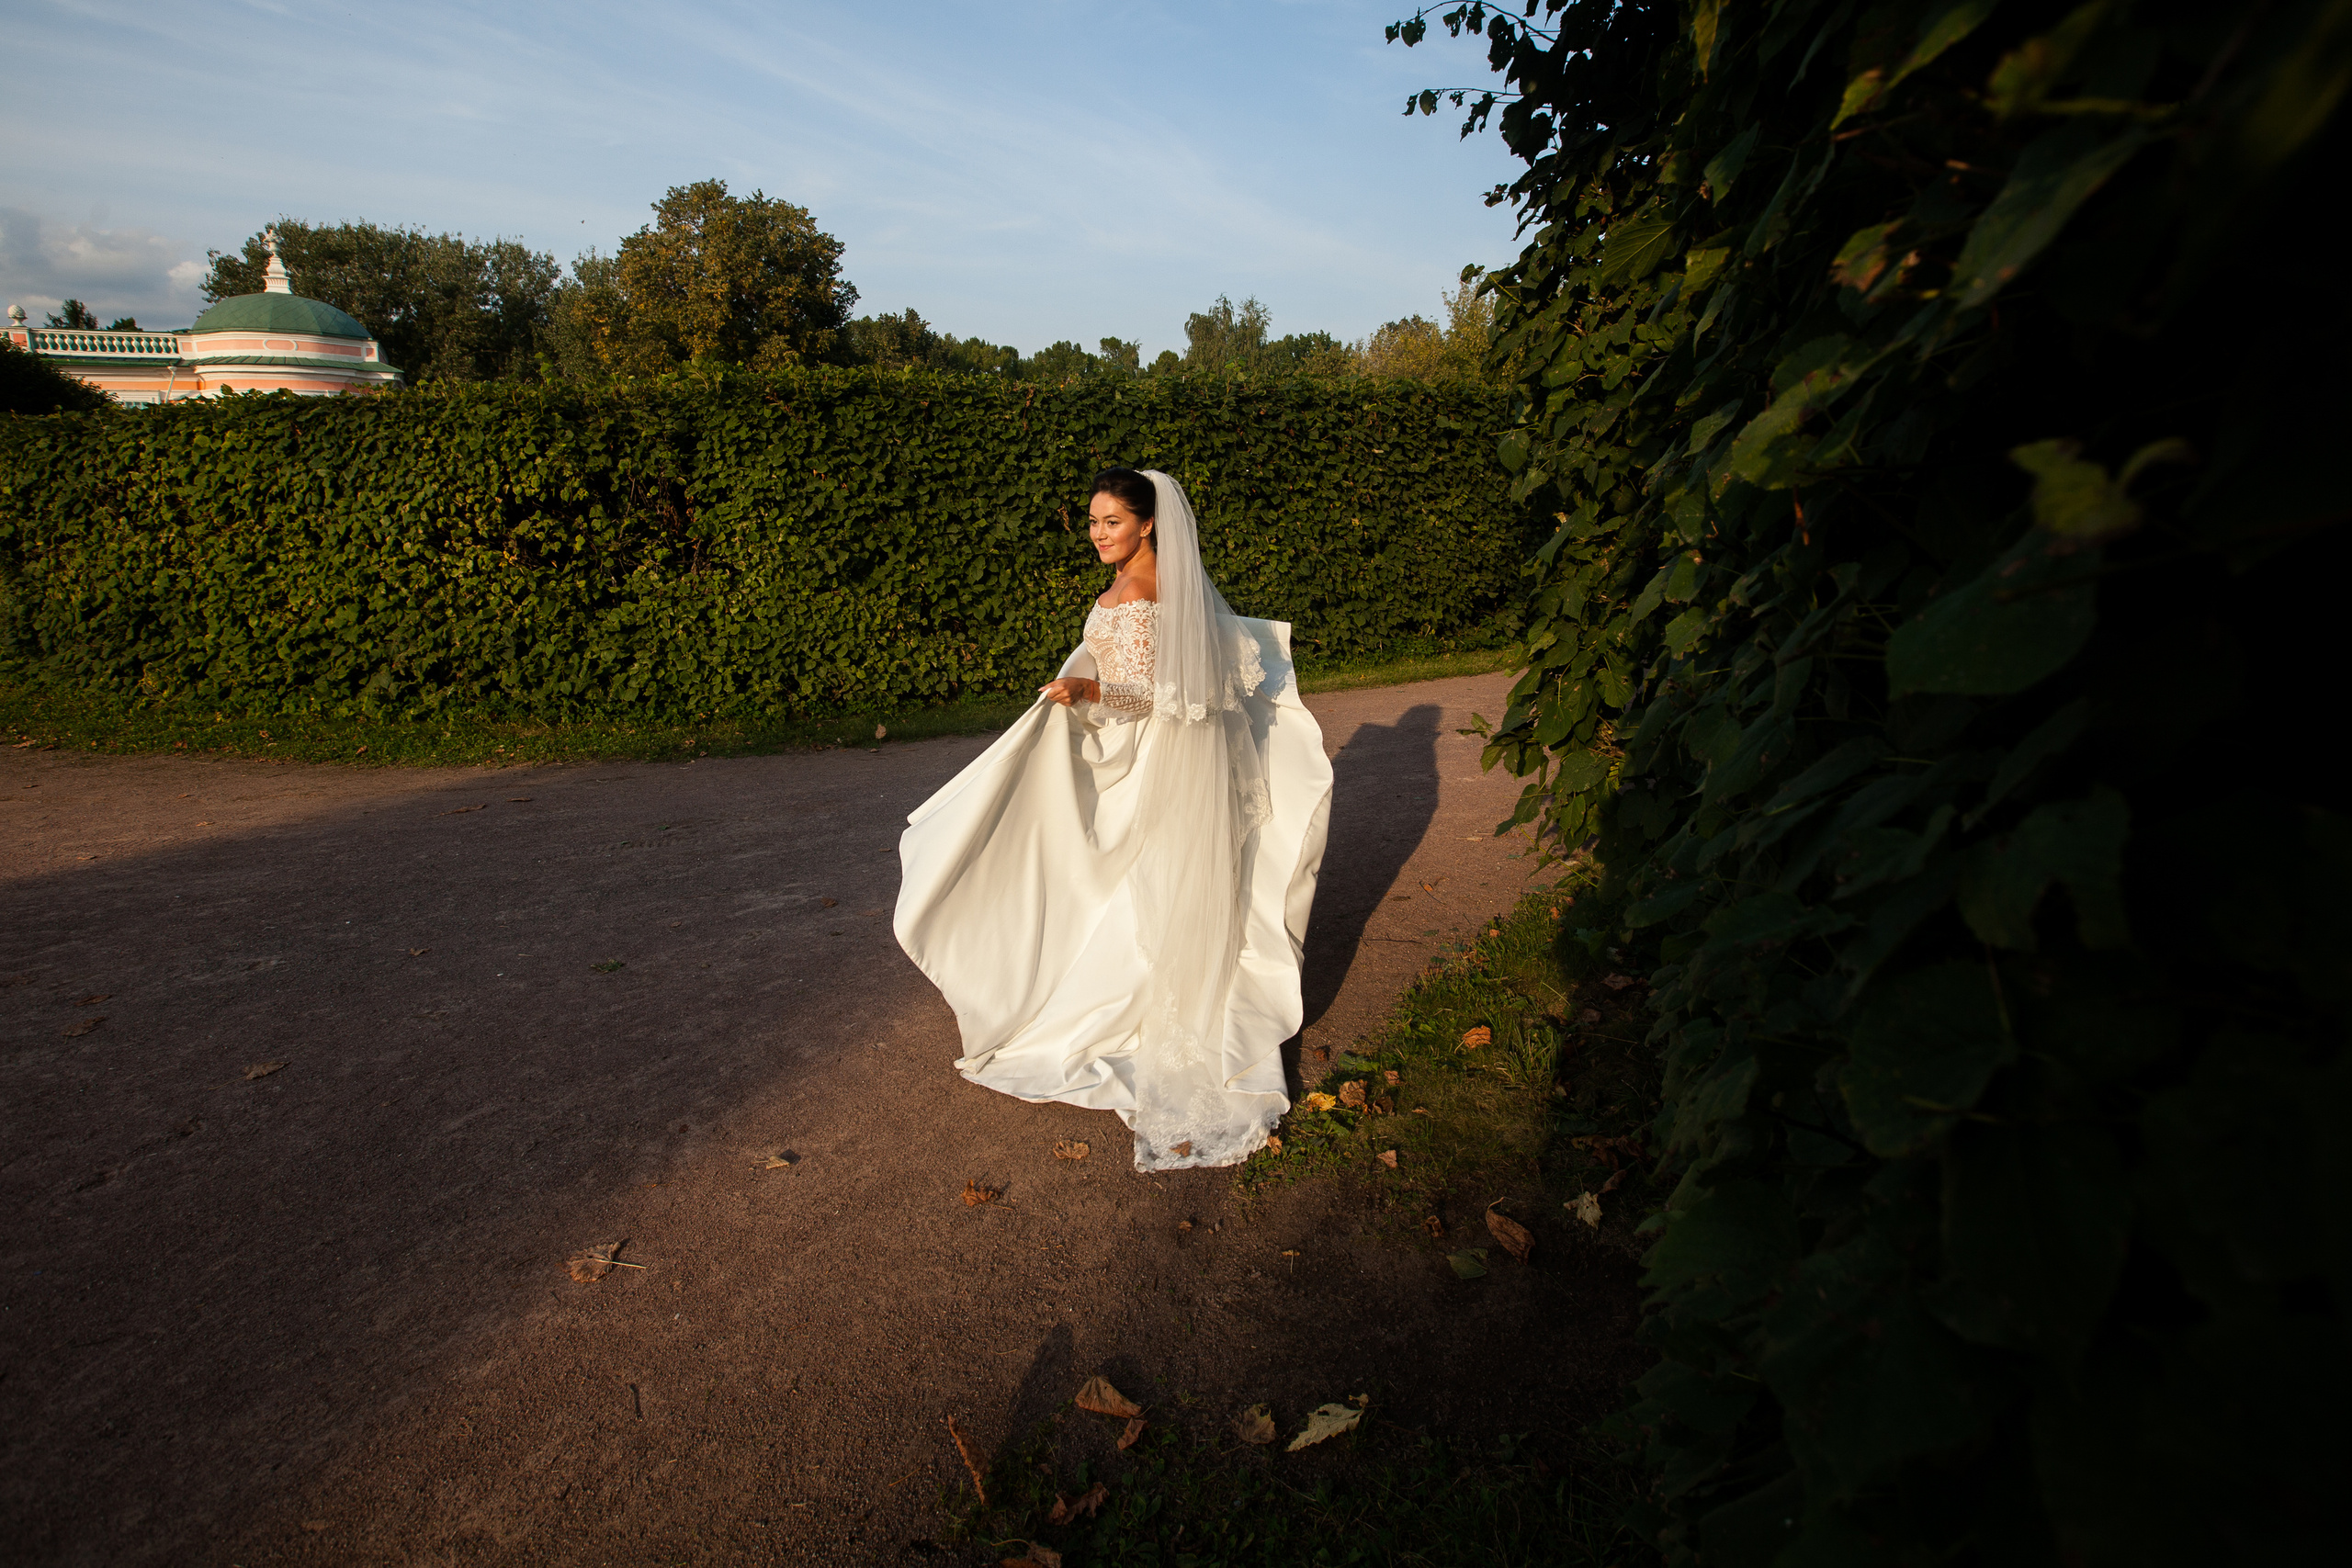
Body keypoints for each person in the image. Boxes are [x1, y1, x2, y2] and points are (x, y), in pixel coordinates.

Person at [893, 468, 1333, 1170]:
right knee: (1150, 883)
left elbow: (1147, 696)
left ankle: (1133, 1008)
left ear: (1148, 523)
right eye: (1094, 522)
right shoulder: (1174, 587)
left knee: (1121, 880)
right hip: (1172, 751)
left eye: (1113, 522)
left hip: (1153, 756)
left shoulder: (1137, 594)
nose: (1099, 534)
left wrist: (1087, 687)